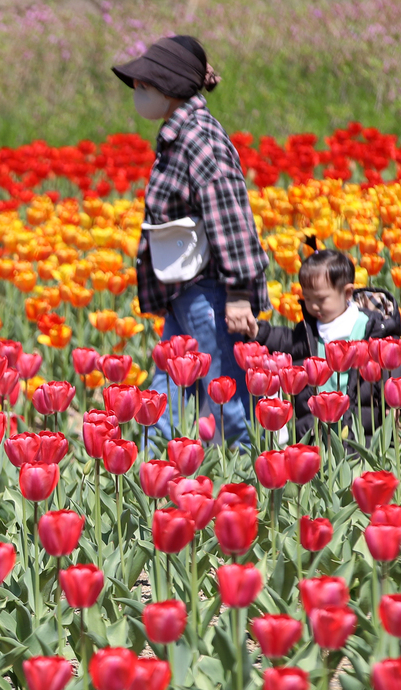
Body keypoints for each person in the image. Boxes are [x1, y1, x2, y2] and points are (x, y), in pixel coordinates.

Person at [113, 35, 269, 447]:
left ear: (170, 89)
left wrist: (239, 294)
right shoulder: (179, 134)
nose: (138, 95)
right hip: (185, 288)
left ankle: (252, 484)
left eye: (144, 87)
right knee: (167, 390)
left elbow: (233, 220)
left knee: (227, 396)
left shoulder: (202, 141)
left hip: (211, 292)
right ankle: (151, 479)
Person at [239, 248, 401, 439]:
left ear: (347, 292)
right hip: (315, 425)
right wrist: (258, 332)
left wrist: (395, 402)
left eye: (321, 299)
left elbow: (394, 363)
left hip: (359, 424)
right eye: (307, 298)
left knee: (355, 460)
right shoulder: (309, 331)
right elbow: (286, 340)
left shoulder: (372, 327)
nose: (313, 306)